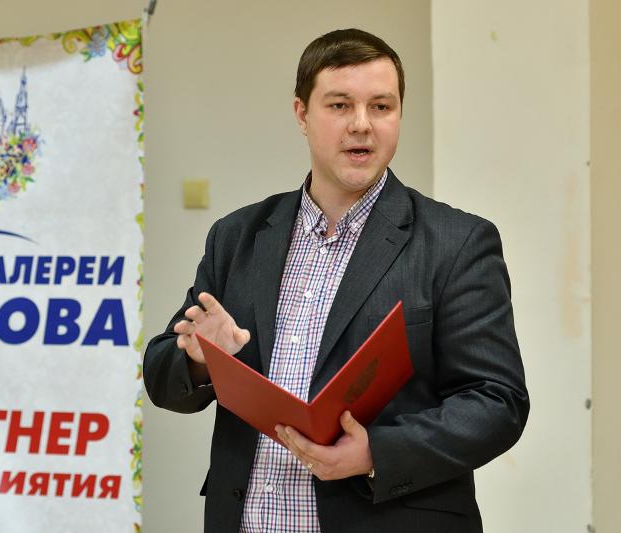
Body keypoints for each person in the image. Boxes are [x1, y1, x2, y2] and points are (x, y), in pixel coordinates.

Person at [143, 28, 529, 533]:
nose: (362, 125)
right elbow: (163, 378)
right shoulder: (237, 236)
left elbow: (497, 402)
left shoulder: (457, 242)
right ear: (302, 114)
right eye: (340, 105)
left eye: (381, 107)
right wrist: (199, 359)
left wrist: (376, 453)